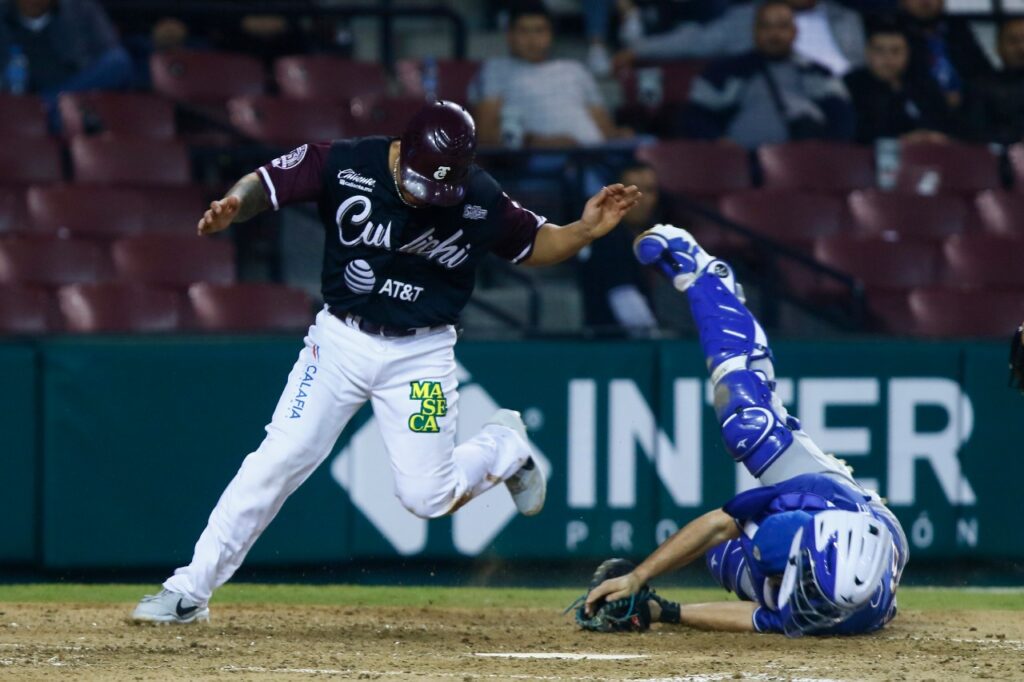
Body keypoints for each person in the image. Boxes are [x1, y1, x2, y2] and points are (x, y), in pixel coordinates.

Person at [131, 100, 642, 624]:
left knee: (427, 497)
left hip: (420, 355)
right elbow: (267, 182)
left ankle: (502, 447)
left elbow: (533, 243)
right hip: (340, 342)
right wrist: (235, 204)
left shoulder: (478, 197)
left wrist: (581, 231)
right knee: (278, 457)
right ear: (403, 149)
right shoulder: (347, 163)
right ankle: (189, 590)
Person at [579, 223, 908, 636]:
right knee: (748, 427)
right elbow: (721, 523)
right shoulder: (808, 508)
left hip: (851, 545)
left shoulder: (858, 609)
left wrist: (666, 611)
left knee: (724, 561)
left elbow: (765, 618)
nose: (805, 609)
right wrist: (638, 577)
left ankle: (760, 567)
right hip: (846, 506)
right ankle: (708, 281)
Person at [682, 1, 855, 148]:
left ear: (795, 31)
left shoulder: (817, 72)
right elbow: (695, 116)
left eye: (782, 26)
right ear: (754, 31)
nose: (774, 34)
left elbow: (842, 116)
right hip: (740, 163)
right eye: (766, 26)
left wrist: (827, 148)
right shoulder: (724, 71)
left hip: (807, 163)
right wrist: (718, 141)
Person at [469, 0, 632, 148]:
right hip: (538, 162)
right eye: (524, 31)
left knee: (646, 152)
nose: (532, 39)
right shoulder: (496, 69)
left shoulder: (574, 69)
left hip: (595, 156)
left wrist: (619, 135)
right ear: (509, 36)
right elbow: (486, 135)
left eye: (539, 31)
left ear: (550, 34)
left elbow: (604, 128)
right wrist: (536, 142)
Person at [615, 0, 865, 77]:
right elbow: (697, 41)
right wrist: (639, 50)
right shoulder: (749, 18)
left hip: (844, 99)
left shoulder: (845, 17)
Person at [577, 163, 663, 336]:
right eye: (632, 193)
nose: (642, 199)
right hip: (612, 346)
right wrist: (657, 341)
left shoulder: (655, 236)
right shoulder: (607, 239)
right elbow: (627, 304)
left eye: (649, 190)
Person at [844, 22, 954, 144]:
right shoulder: (852, 86)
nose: (888, 58)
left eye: (895, 51)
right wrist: (900, 141)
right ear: (868, 52)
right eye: (880, 50)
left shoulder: (923, 84)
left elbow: (947, 125)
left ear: (907, 53)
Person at [0, 0, 132, 99]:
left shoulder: (79, 7)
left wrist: (62, 97)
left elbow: (117, 62)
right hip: (16, 107)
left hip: (75, 97)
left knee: (117, 61)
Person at [898, 0, 992, 109]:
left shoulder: (957, 28)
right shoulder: (891, 34)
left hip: (967, 110)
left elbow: (983, 73)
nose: (925, 1)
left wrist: (966, 96)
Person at [964, 18, 1024, 146]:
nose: (1021, 47)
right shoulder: (981, 86)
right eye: (1013, 41)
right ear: (998, 47)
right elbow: (976, 133)